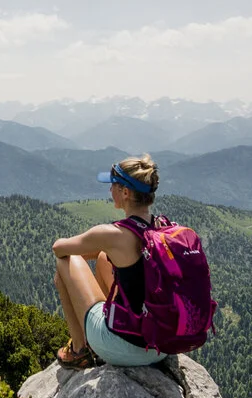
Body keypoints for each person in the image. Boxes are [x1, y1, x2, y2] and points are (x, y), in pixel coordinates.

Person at [51, 154, 169, 369]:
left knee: (66, 261)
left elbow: (59, 248)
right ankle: (115, 322)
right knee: (105, 258)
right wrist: (101, 251)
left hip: (124, 349)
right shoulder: (163, 228)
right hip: (161, 347)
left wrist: (87, 251)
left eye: (112, 185)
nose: (109, 190)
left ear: (125, 192)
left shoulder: (113, 234)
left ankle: (79, 350)